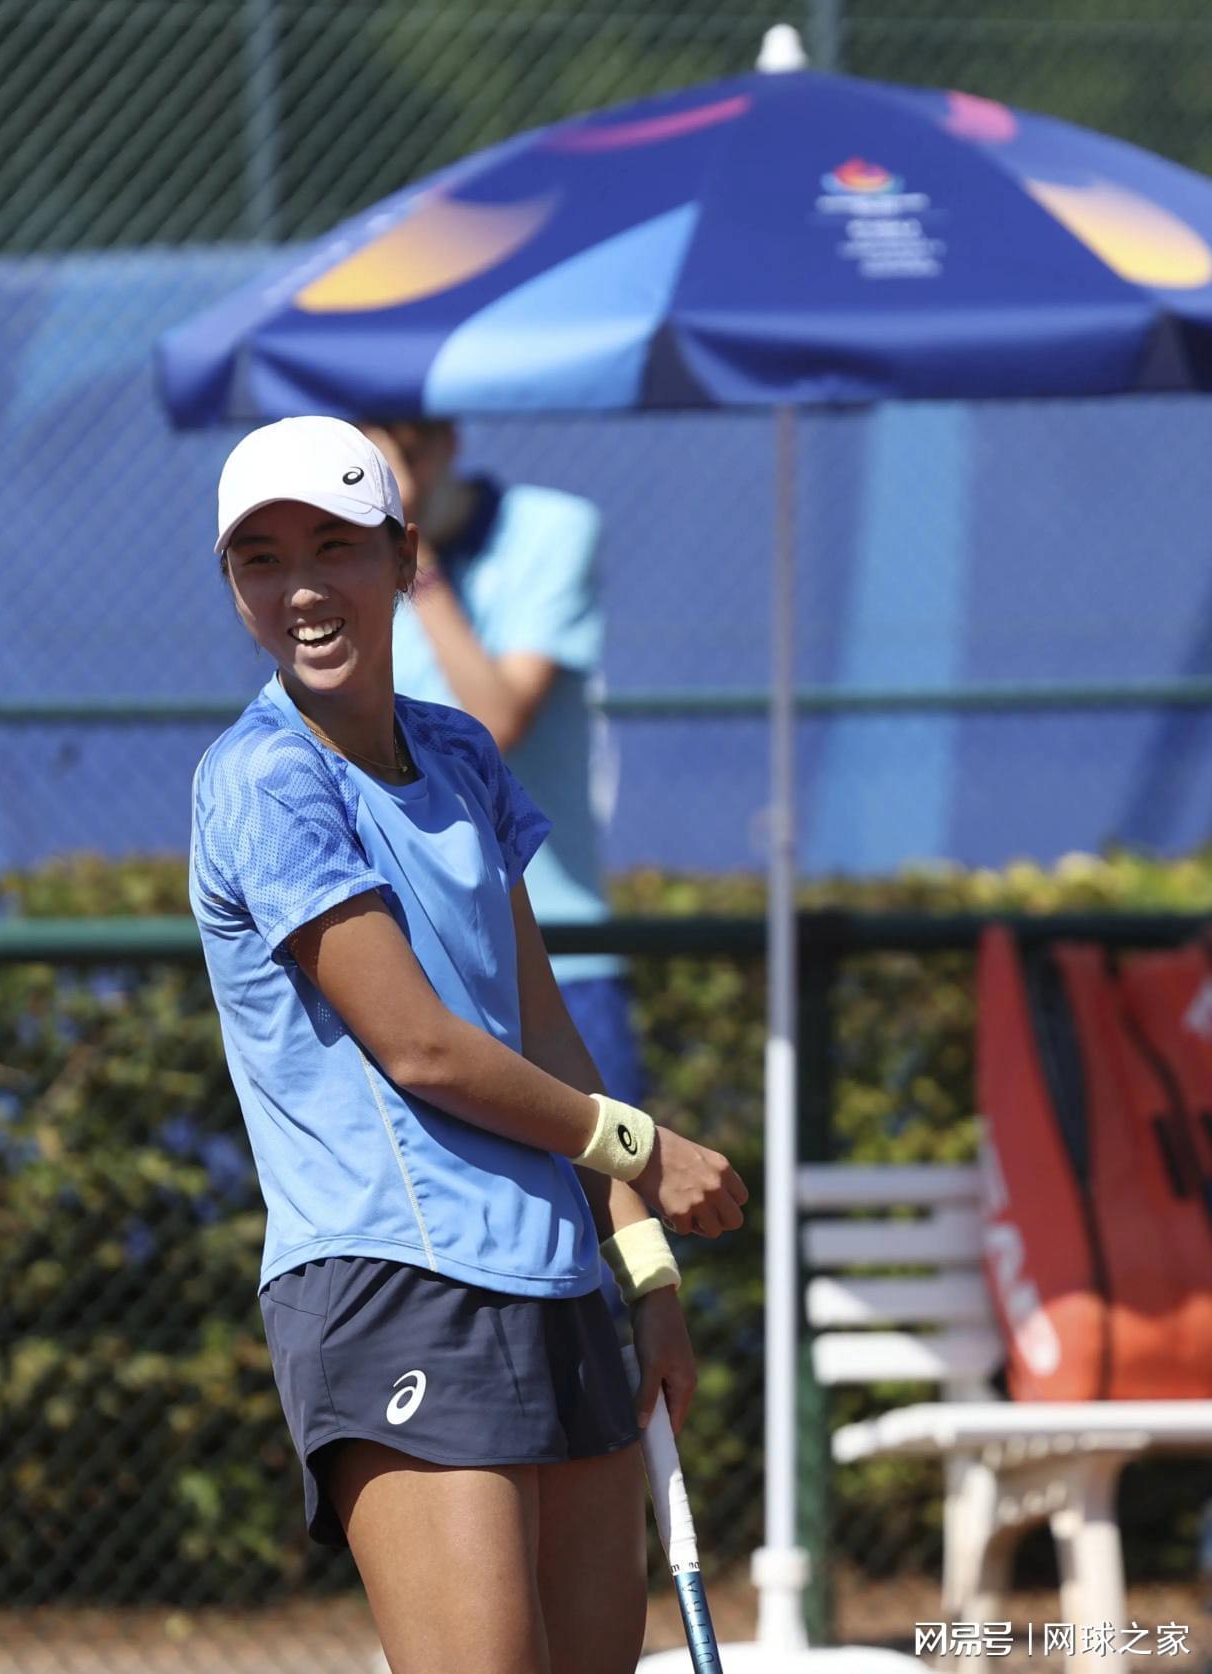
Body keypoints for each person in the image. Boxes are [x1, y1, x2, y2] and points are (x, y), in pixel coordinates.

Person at [188, 416, 748, 1674]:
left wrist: (644, 1270)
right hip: (392, 1287)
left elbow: (538, 1025)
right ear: (233, 588)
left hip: (557, 1282)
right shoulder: (263, 780)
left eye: (335, 547)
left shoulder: (457, 751)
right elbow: (422, 1050)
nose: (302, 588)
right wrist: (644, 1147)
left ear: (404, 560)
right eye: (262, 560)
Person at [364, 419, 646, 1111]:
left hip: (560, 960)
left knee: (611, 1175)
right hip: (415, 971)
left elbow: (495, 722)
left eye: (402, 451)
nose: (385, 476)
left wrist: (413, 558)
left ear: (447, 443)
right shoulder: (344, 570)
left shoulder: (553, 530)